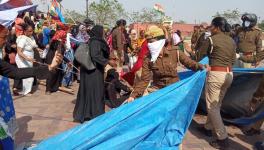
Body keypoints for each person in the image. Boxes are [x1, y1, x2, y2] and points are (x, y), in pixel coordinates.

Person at [126, 25, 204, 101]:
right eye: (148, 42)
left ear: (161, 41)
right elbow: (144, 80)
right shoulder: (147, 58)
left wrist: (202, 67)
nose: (150, 44)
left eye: (152, 41)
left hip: (174, 89)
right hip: (158, 90)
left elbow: (190, 64)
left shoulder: (175, 52)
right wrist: (133, 96)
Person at [198, 17, 236, 149]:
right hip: (229, 74)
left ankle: (223, 139)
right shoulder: (231, 40)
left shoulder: (211, 39)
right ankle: (208, 127)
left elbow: (199, 56)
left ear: (217, 27)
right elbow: (232, 60)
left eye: (211, 26)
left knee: (212, 107)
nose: (210, 28)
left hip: (216, 74)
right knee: (216, 104)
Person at [73, 25, 113, 123]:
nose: (103, 33)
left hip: (88, 70)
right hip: (93, 71)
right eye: (102, 31)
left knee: (88, 91)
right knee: (95, 92)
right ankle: (94, 114)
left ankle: (87, 113)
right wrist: (107, 62)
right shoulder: (96, 42)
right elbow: (95, 55)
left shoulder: (92, 40)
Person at [15, 23, 38, 96]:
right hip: (22, 59)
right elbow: (19, 52)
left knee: (29, 74)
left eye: (32, 31)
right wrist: (28, 58)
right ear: (25, 31)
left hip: (29, 59)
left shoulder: (31, 37)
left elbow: (33, 46)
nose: (31, 32)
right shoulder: (22, 39)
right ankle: (25, 91)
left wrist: (40, 50)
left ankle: (27, 90)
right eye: (29, 31)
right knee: (27, 75)